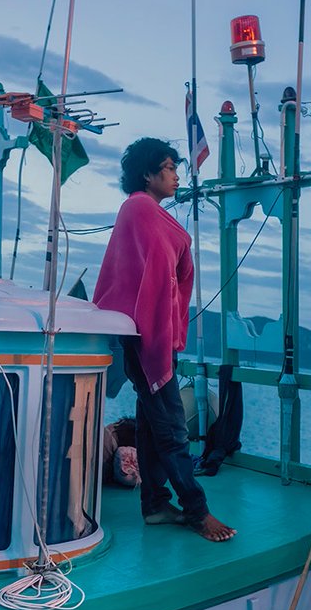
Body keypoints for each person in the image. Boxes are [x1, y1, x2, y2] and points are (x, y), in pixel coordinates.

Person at [93, 138, 236, 542]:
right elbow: (156, 279)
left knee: (152, 426)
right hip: (147, 336)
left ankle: (155, 504)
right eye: (169, 167)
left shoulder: (142, 211)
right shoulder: (140, 208)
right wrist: (159, 341)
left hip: (144, 334)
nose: (176, 175)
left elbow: (158, 273)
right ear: (147, 174)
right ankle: (197, 511)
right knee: (173, 429)